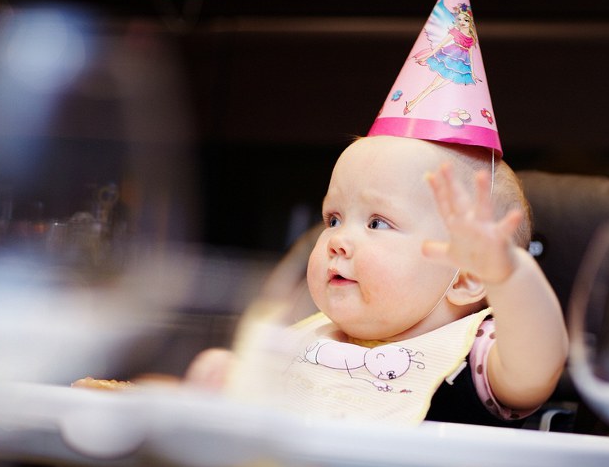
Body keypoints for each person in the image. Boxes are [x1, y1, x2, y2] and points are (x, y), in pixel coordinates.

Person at [185, 134, 568, 426]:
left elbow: (537, 367)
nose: (337, 240)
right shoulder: (309, 337)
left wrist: (509, 275)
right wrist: (228, 379)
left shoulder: (478, 353)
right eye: (333, 218)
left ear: (467, 276)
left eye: (377, 223)